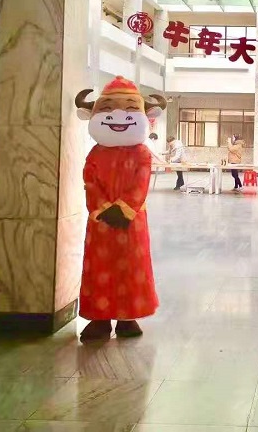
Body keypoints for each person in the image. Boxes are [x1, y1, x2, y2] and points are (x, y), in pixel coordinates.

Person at [74, 76, 166, 341]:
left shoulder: (142, 153)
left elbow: (140, 184)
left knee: (131, 268)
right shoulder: (95, 153)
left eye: (129, 109)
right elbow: (90, 182)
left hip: (131, 221)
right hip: (101, 221)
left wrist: (124, 210)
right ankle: (100, 320)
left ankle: (127, 318)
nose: (118, 116)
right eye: (107, 109)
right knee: (99, 268)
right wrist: (103, 209)